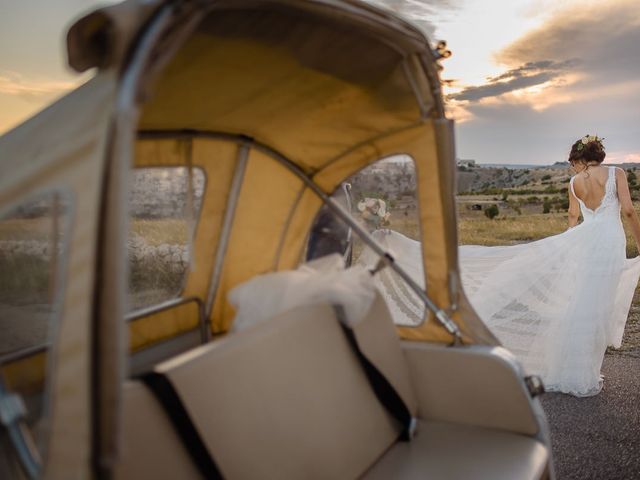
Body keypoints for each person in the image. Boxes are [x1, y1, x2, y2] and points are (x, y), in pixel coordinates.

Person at [359, 135, 640, 397]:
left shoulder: (573, 183)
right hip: (609, 241)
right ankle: (583, 372)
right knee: (598, 301)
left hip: (584, 242)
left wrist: (568, 245)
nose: (572, 166)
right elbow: (627, 210)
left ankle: (573, 369)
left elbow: (572, 216)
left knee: (582, 301)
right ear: (599, 154)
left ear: (579, 158)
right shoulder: (616, 173)